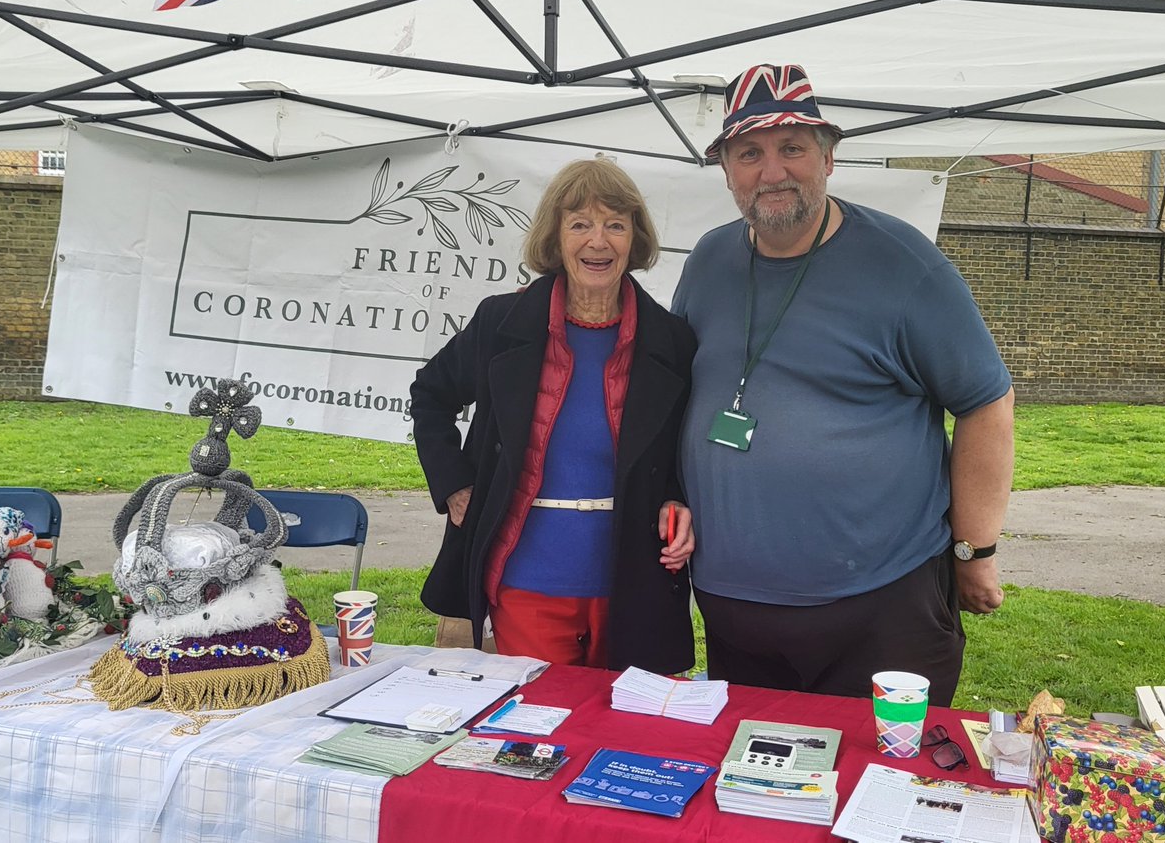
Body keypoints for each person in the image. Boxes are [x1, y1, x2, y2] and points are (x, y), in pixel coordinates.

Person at [672, 64, 1014, 704]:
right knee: (758, 792)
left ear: (828, 158)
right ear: (726, 170)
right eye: (750, 153)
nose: (772, 172)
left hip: (881, 606)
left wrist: (976, 550)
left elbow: (986, 403)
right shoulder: (709, 260)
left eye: (792, 148)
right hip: (732, 604)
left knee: (874, 790)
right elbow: (674, 394)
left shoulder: (906, 266)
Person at [411, 158, 697, 674]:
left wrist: (678, 499)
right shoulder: (501, 322)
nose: (598, 241)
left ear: (635, 237)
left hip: (633, 580)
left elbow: (679, 444)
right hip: (528, 579)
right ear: (555, 236)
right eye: (580, 224)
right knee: (538, 733)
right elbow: (430, 395)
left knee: (623, 736)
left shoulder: (672, 340)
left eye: (615, 224)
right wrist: (454, 484)